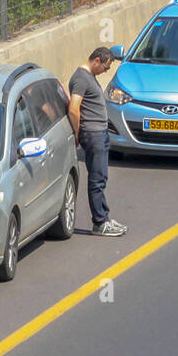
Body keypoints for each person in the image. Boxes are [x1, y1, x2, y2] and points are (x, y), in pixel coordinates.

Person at [68, 47, 127, 237]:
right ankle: (100, 222)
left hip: (99, 133)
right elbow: (74, 108)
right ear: (97, 61)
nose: (106, 72)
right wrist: (77, 133)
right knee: (97, 179)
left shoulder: (87, 77)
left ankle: (105, 218)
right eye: (106, 67)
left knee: (101, 177)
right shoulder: (80, 79)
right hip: (93, 135)